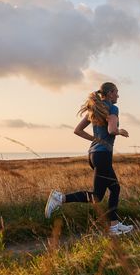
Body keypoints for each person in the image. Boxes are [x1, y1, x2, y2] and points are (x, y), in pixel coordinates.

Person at [44, 82, 133, 235]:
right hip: (103, 155)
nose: (118, 95)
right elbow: (111, 130)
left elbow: (77, 130)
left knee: (115, 188)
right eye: (116, 92)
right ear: (110, 93)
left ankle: (114, 225)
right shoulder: (112, 108)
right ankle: (60, 198)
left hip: (94, 155)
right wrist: (120, 131)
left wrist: (96, 139)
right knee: (96, 196)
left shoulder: (95, 109)